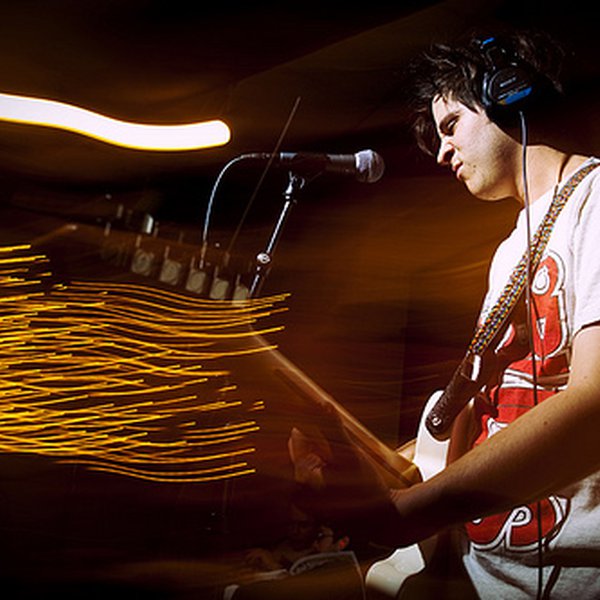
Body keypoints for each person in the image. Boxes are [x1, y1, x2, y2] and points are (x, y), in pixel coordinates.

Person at [288, 28, 600, 599]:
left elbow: (594, 401)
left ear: (508, 94)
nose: (441, 151)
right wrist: (379, 467)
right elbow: (487, 417)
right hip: (480, 571)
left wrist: (406, 512)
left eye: (451, 124)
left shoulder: (596, 201)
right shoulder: (510, 251)